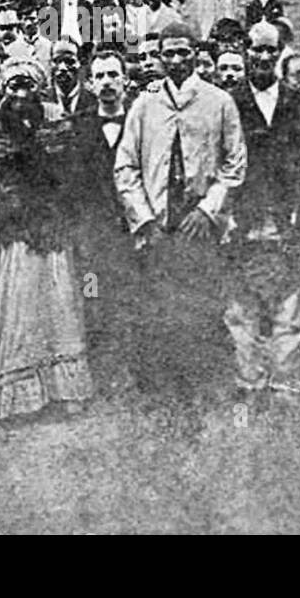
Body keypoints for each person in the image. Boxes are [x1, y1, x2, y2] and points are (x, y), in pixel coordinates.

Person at [114, 22, 247, 419]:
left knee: (203, 309)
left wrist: (209, 209)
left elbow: (235, 163)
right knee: (159, 312)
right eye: (167, 53)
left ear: (195, 54)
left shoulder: (219, 101)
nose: (174, 60)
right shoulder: (144, 105)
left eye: (182, 52)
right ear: (158, 57)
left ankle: (203, 389)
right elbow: (125, 167)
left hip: (200, 225)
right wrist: (144, 219)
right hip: (158, 228)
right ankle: (162, 394)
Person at [0, 57, 93, 423]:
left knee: (58, 312)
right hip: (10, 238)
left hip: (50, 235)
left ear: (39, 89)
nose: (21, 94)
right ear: (4, 91)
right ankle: (14, 398)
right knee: (15, 315)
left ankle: (64, 390)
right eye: (13, 87)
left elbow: (72, 181)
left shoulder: (57, 127)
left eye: (28, 86)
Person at [223, 22, 300, 400]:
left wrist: (299, 213)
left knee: (289, 312)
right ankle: (248, 387)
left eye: (269, 50)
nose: (261, 57)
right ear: (245, 52)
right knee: (242, 312)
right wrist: (226, 214)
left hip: (285, 218)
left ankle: (285, 389)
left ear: (280, 54)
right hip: (241, 218)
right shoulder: (227, 101)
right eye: (255, 50)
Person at [70, 48, 133, 377]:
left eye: (113, 75)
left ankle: (133, 369)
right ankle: (98, 371)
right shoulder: (77, 127)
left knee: (130, 295)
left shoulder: (140, 120)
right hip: (92, 237)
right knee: (92, 296)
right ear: (90, 84)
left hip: (131, 233)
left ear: (125, 80)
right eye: (100, 76)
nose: (107, 82)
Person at [47, 37, 93, 115]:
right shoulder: (41, 100)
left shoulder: (93, 102)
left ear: (80, 63)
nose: (62, 68)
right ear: (50, 63)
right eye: (57, 61)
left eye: (69, 61)